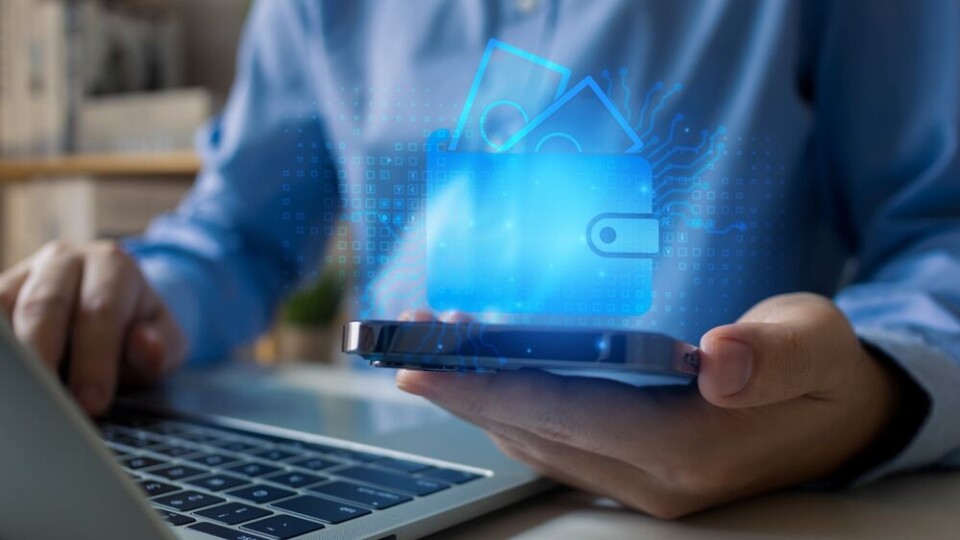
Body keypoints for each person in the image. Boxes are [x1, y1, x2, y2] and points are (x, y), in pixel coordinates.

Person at [1, 1, 958, 519]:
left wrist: (865, 403)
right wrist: (134, 300)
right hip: (380, 470)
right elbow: (240, 235)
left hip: (759, 508)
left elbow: (941, 233)